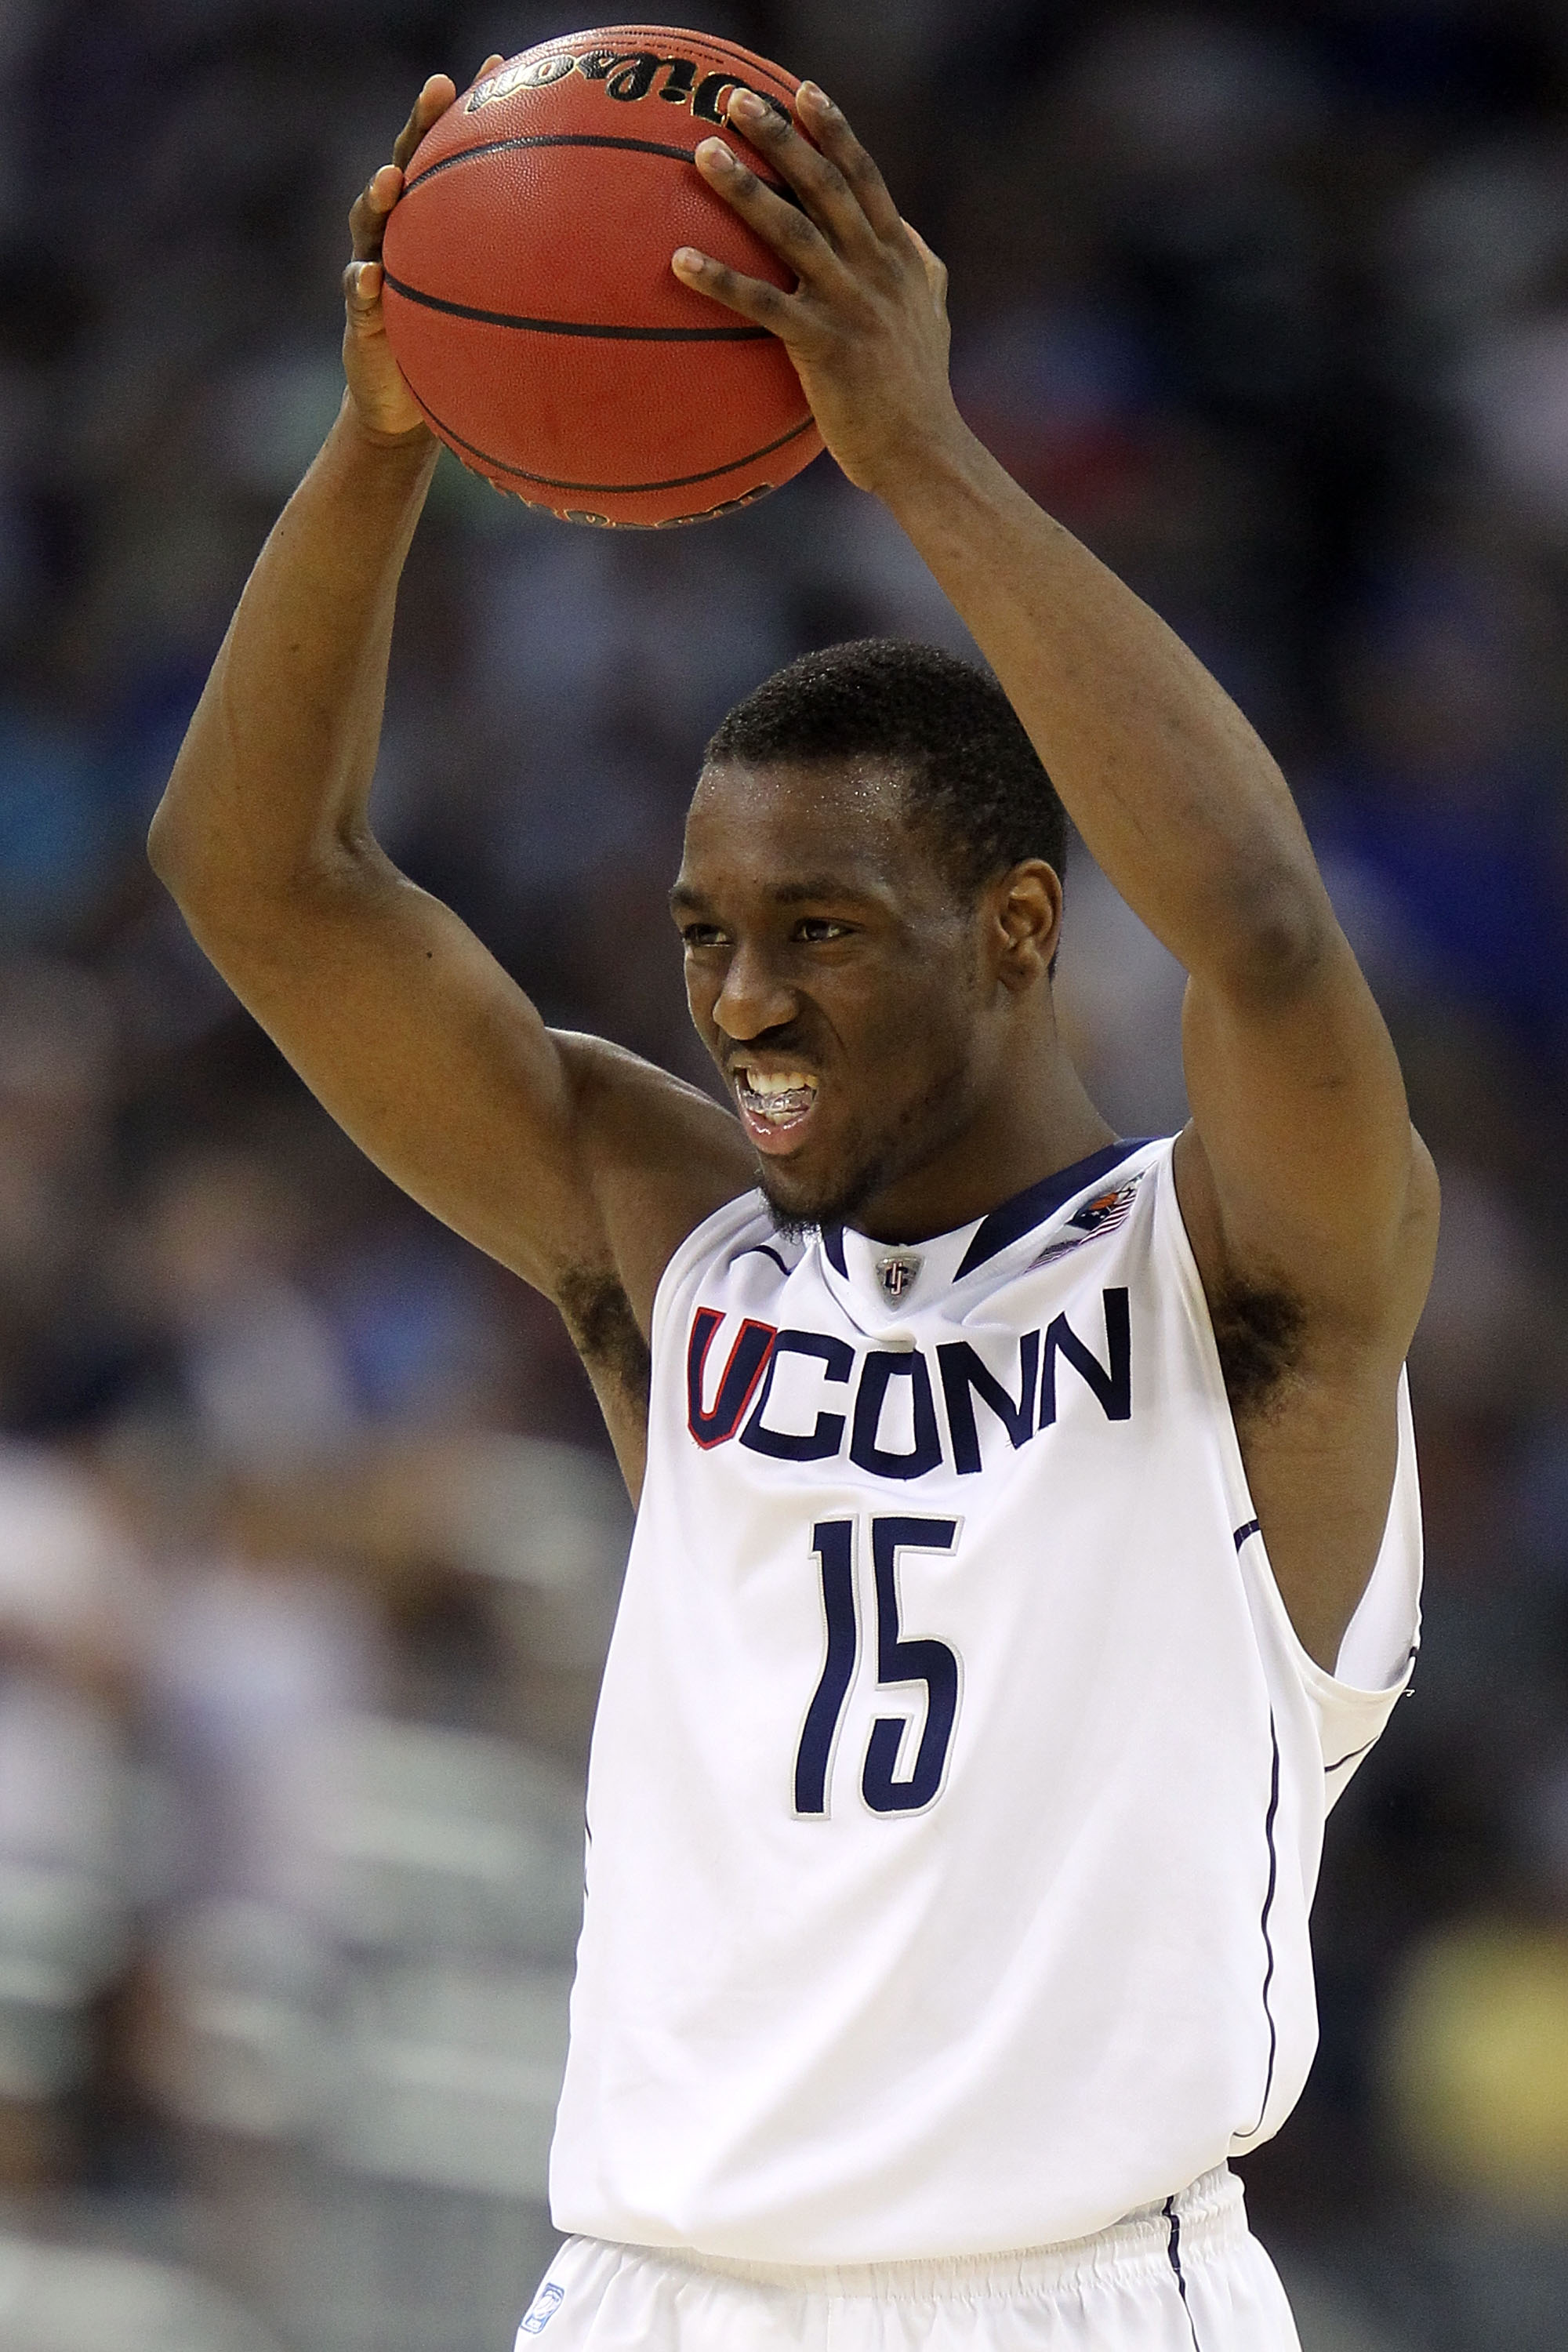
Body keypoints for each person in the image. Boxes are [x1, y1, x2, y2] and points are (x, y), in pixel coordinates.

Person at [150, 61, 1438, 2352]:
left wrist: (916, 450)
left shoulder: (1241, 1288)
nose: (744, 1000)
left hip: (1075, 2295)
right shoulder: (683, 1252)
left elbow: (1252, 921)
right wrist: (388, 431)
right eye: (706, 935)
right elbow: (258, 880)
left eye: (823, 930)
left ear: (1022, 928)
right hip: (658, 2293)